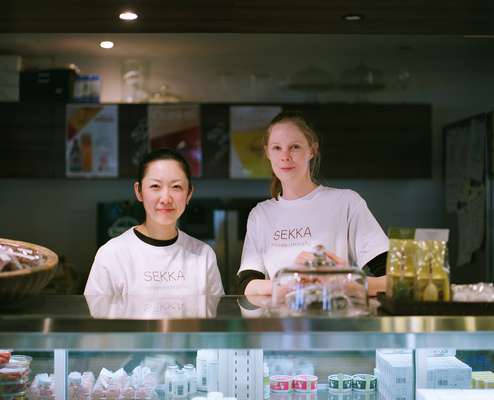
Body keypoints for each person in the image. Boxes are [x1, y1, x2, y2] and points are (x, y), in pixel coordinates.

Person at [237, 111, 388, 297]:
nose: (285, 156)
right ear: (267, 152)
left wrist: (347, 282)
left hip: (334, 321)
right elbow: (247, 284)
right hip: (279, 323)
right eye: (277, 148)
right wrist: (290, 283)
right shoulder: (260, 214)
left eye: (294, 147)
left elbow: (393, 279)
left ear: (312, 150)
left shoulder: (347, 203)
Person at [84, 148, 224, 296]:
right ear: (139, 191)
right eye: (155, 186)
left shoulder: (204, 255)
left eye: (176, 187)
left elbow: (216, 315)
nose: (165, 198)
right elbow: (95, 317)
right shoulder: (112, 254)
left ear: (189, 193)